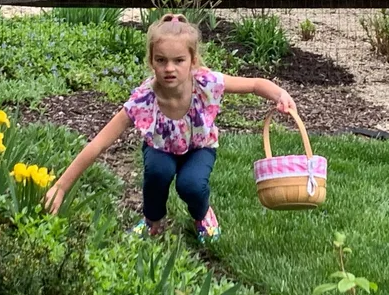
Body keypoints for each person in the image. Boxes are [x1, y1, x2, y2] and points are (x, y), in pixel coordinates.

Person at [44, 13, 296, 242]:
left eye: (179, 60)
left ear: (193, 61)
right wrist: (61, 186)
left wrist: (280, 94)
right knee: (157, 173)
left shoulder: (206, 82)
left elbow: (254, 84)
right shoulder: (144, 98)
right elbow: (99, 144)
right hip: (161, 149)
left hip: (199, 148)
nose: (169, 68)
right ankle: (152, 221)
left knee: (191, 185)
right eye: (161, 60)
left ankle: (202, 215)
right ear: (151, 61)